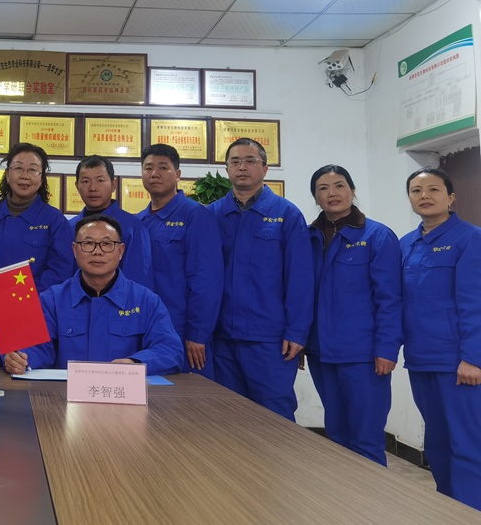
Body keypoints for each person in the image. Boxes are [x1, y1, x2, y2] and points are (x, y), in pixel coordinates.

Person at [209, 138, 313, 421]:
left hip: (270, 339)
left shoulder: (286, 214)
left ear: (265, 168)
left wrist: (296, 332)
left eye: (250, 161)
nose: (242, 167)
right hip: (222, 338)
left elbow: (300, 279)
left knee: (274, 417)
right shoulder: (211, 215)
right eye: (235, 162)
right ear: (227, 169)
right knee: (227, 418)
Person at [3, 214, 183, 374]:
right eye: (88, 243)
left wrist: (134, 363)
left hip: (123, 394)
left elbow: (170, 350)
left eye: (107, 244)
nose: (97, 251)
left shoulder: (145, 300)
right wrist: (21, 358)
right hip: (65, 396)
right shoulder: (52, 300)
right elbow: (36, 348)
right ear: (75, 250)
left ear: (120, 251)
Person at [307, 164, 401, 465]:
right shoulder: (308, 237)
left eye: (339, 185)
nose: (332, 193)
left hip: (363, 356)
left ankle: (373, 497)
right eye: (323, 188)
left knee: (365, 438)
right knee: (337, 436)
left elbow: (390, 299)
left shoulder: (377, 236)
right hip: (321, 354)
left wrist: (386, 349)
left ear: (352, 190)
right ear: (316, 197)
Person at [400, 167, 481, 510]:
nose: (425, 196)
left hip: (457, 362)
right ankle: (450, 510)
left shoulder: (470, 238)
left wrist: (473, 357)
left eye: (433, 189)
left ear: (450, 197)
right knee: (437, 443)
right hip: (420, 360)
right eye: (416, 191)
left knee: (466, 444)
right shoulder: (406, 244)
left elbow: (475, 302)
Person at [138, 144, 223, 378]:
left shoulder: (195, 215)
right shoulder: (138, 221)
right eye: (148, 168)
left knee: (190, 398)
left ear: (177, 174)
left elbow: (206, 280)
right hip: (145, 330)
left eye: (163, 167)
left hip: (183, 334)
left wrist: (198, 334)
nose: (154, 174)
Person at [0, 143, 72, 292]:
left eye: (32, 170)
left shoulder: (55, 220)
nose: (24, 176)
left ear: (41, 179)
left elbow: (60, 271)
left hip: (36, 300)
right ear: (7, 175)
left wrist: (26, 295)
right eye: (18, 168)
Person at [70, 155, 151, 287]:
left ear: (113, 185)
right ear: (77, 186)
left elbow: (138, 280)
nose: (93, 188)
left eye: (100, 181)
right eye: (85, 181)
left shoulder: (133, 228)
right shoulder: (69, 227)